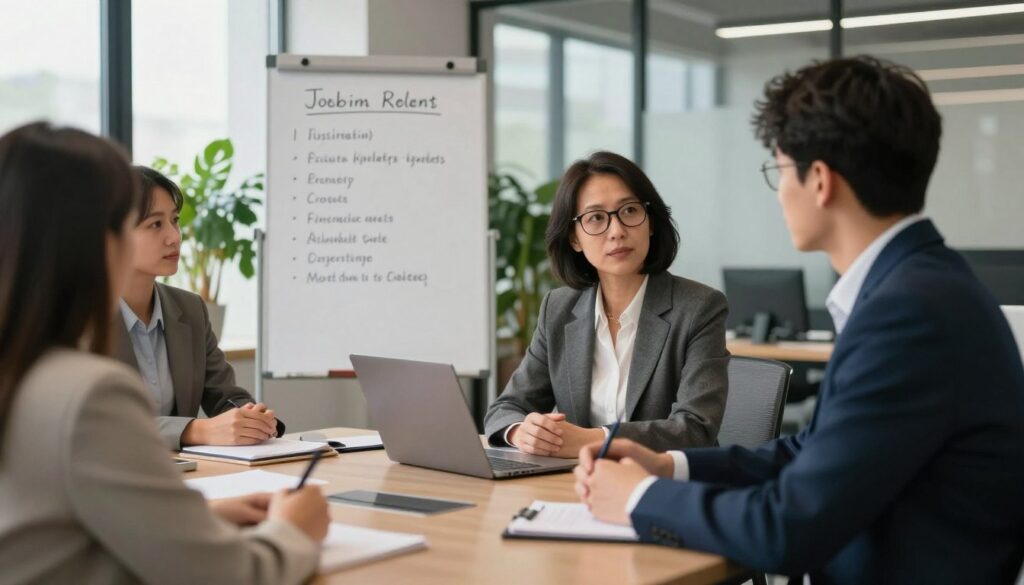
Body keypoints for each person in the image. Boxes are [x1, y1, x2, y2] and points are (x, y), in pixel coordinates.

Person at [573, 56, 1024, 584]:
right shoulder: (918, 286)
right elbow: (809, 452)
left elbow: (786, 529)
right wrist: (670, 467)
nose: (780, 192)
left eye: (779, 170)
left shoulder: (909, 313)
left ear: (820, 181)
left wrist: (640, 498)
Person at [0, 122, 329, 584]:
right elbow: (234, 577)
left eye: (174, 221)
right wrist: (293, 530)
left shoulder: (21, 368)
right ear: (94, 240)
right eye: (144, 223)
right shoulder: (85, 392)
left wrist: (202, 517)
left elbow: (57, 537)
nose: (173, 236)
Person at [484, 151, 729, 457]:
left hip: (662, 488)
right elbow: (506, 408)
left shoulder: (699, 308)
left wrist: (591, 440)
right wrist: (523, 432)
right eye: (596, 218)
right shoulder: (558, 309)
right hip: (576, 486)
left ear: (650, 222)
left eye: (629, 211)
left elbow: (695, 429)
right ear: (575, 238)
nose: (617, 231)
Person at [114, 166, 281, 450]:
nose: (174, 236)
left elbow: (224, 396)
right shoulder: (78, 319)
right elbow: (99, 423)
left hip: (187, 476)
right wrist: (195, 430)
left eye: (175, 221)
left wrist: (251, 418)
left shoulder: (189, 309)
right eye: (156, 224)